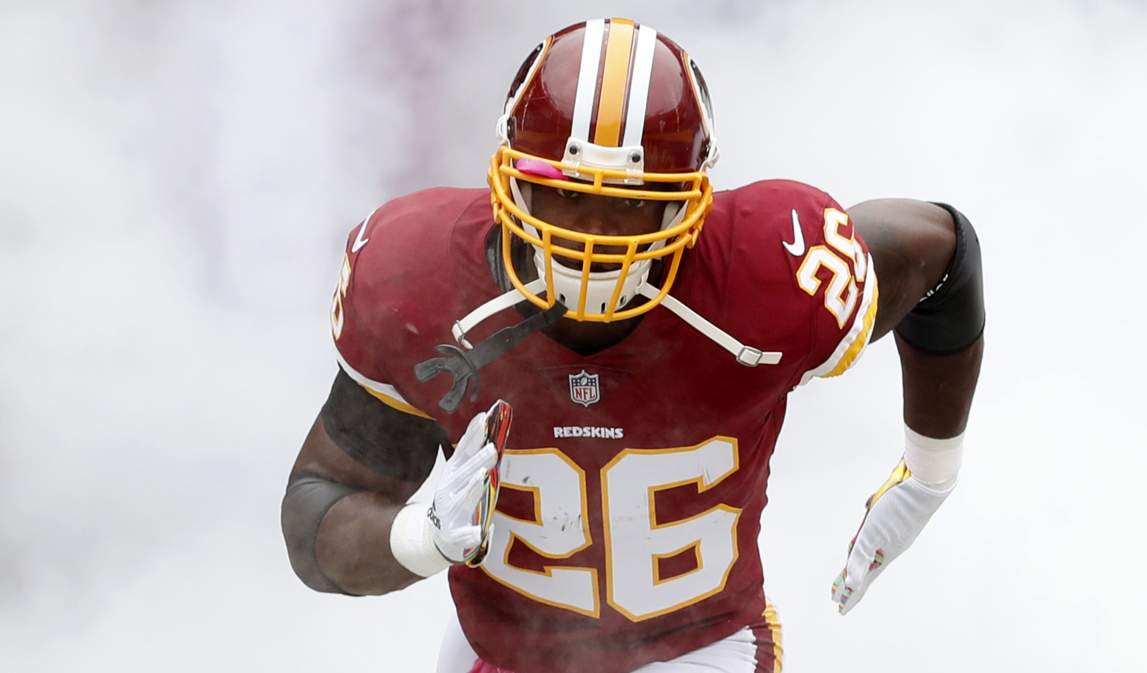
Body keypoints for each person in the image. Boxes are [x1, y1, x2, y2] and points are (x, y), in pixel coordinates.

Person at [281, 17, 984, 673]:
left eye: (629, 203)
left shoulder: (770, 273)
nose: (593, 234)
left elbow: (945, 255)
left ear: (686, 201)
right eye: (565, 194)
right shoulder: (424, 283)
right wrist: (421, 538)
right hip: (501, 650)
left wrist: (929, 475)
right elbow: (318, 511)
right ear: (513, 183)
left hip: (698, 648)